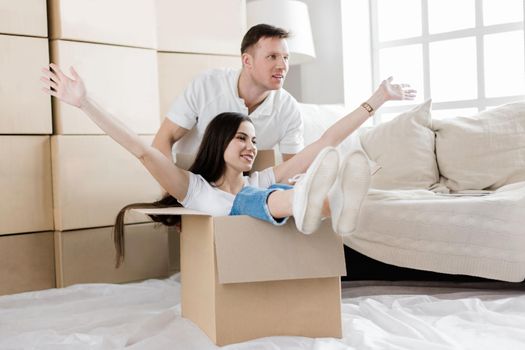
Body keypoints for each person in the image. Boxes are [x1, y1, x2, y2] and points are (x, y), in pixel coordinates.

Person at [41, 64, 416, 266]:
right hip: (255, 231)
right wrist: (85, 103)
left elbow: (325, 141)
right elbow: (141, 149)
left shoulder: (261, 176)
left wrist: (378, 99)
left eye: (254, 140)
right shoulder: (194, 189)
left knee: (278, 184)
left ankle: (331, 202)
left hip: (281, 225)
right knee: (254, 200)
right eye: (241, 138)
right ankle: (314, 198)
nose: (251, 147)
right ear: (219, 142)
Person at [153, 24, 303, 162]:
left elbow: (293, 169)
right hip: (191, 180)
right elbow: (163, 139)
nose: (282, 66)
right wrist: (171, 187)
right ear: (247, 61)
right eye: (272, 57)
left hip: (245, 185)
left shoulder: (289, 108)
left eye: (285, 58)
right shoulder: (207, 85)